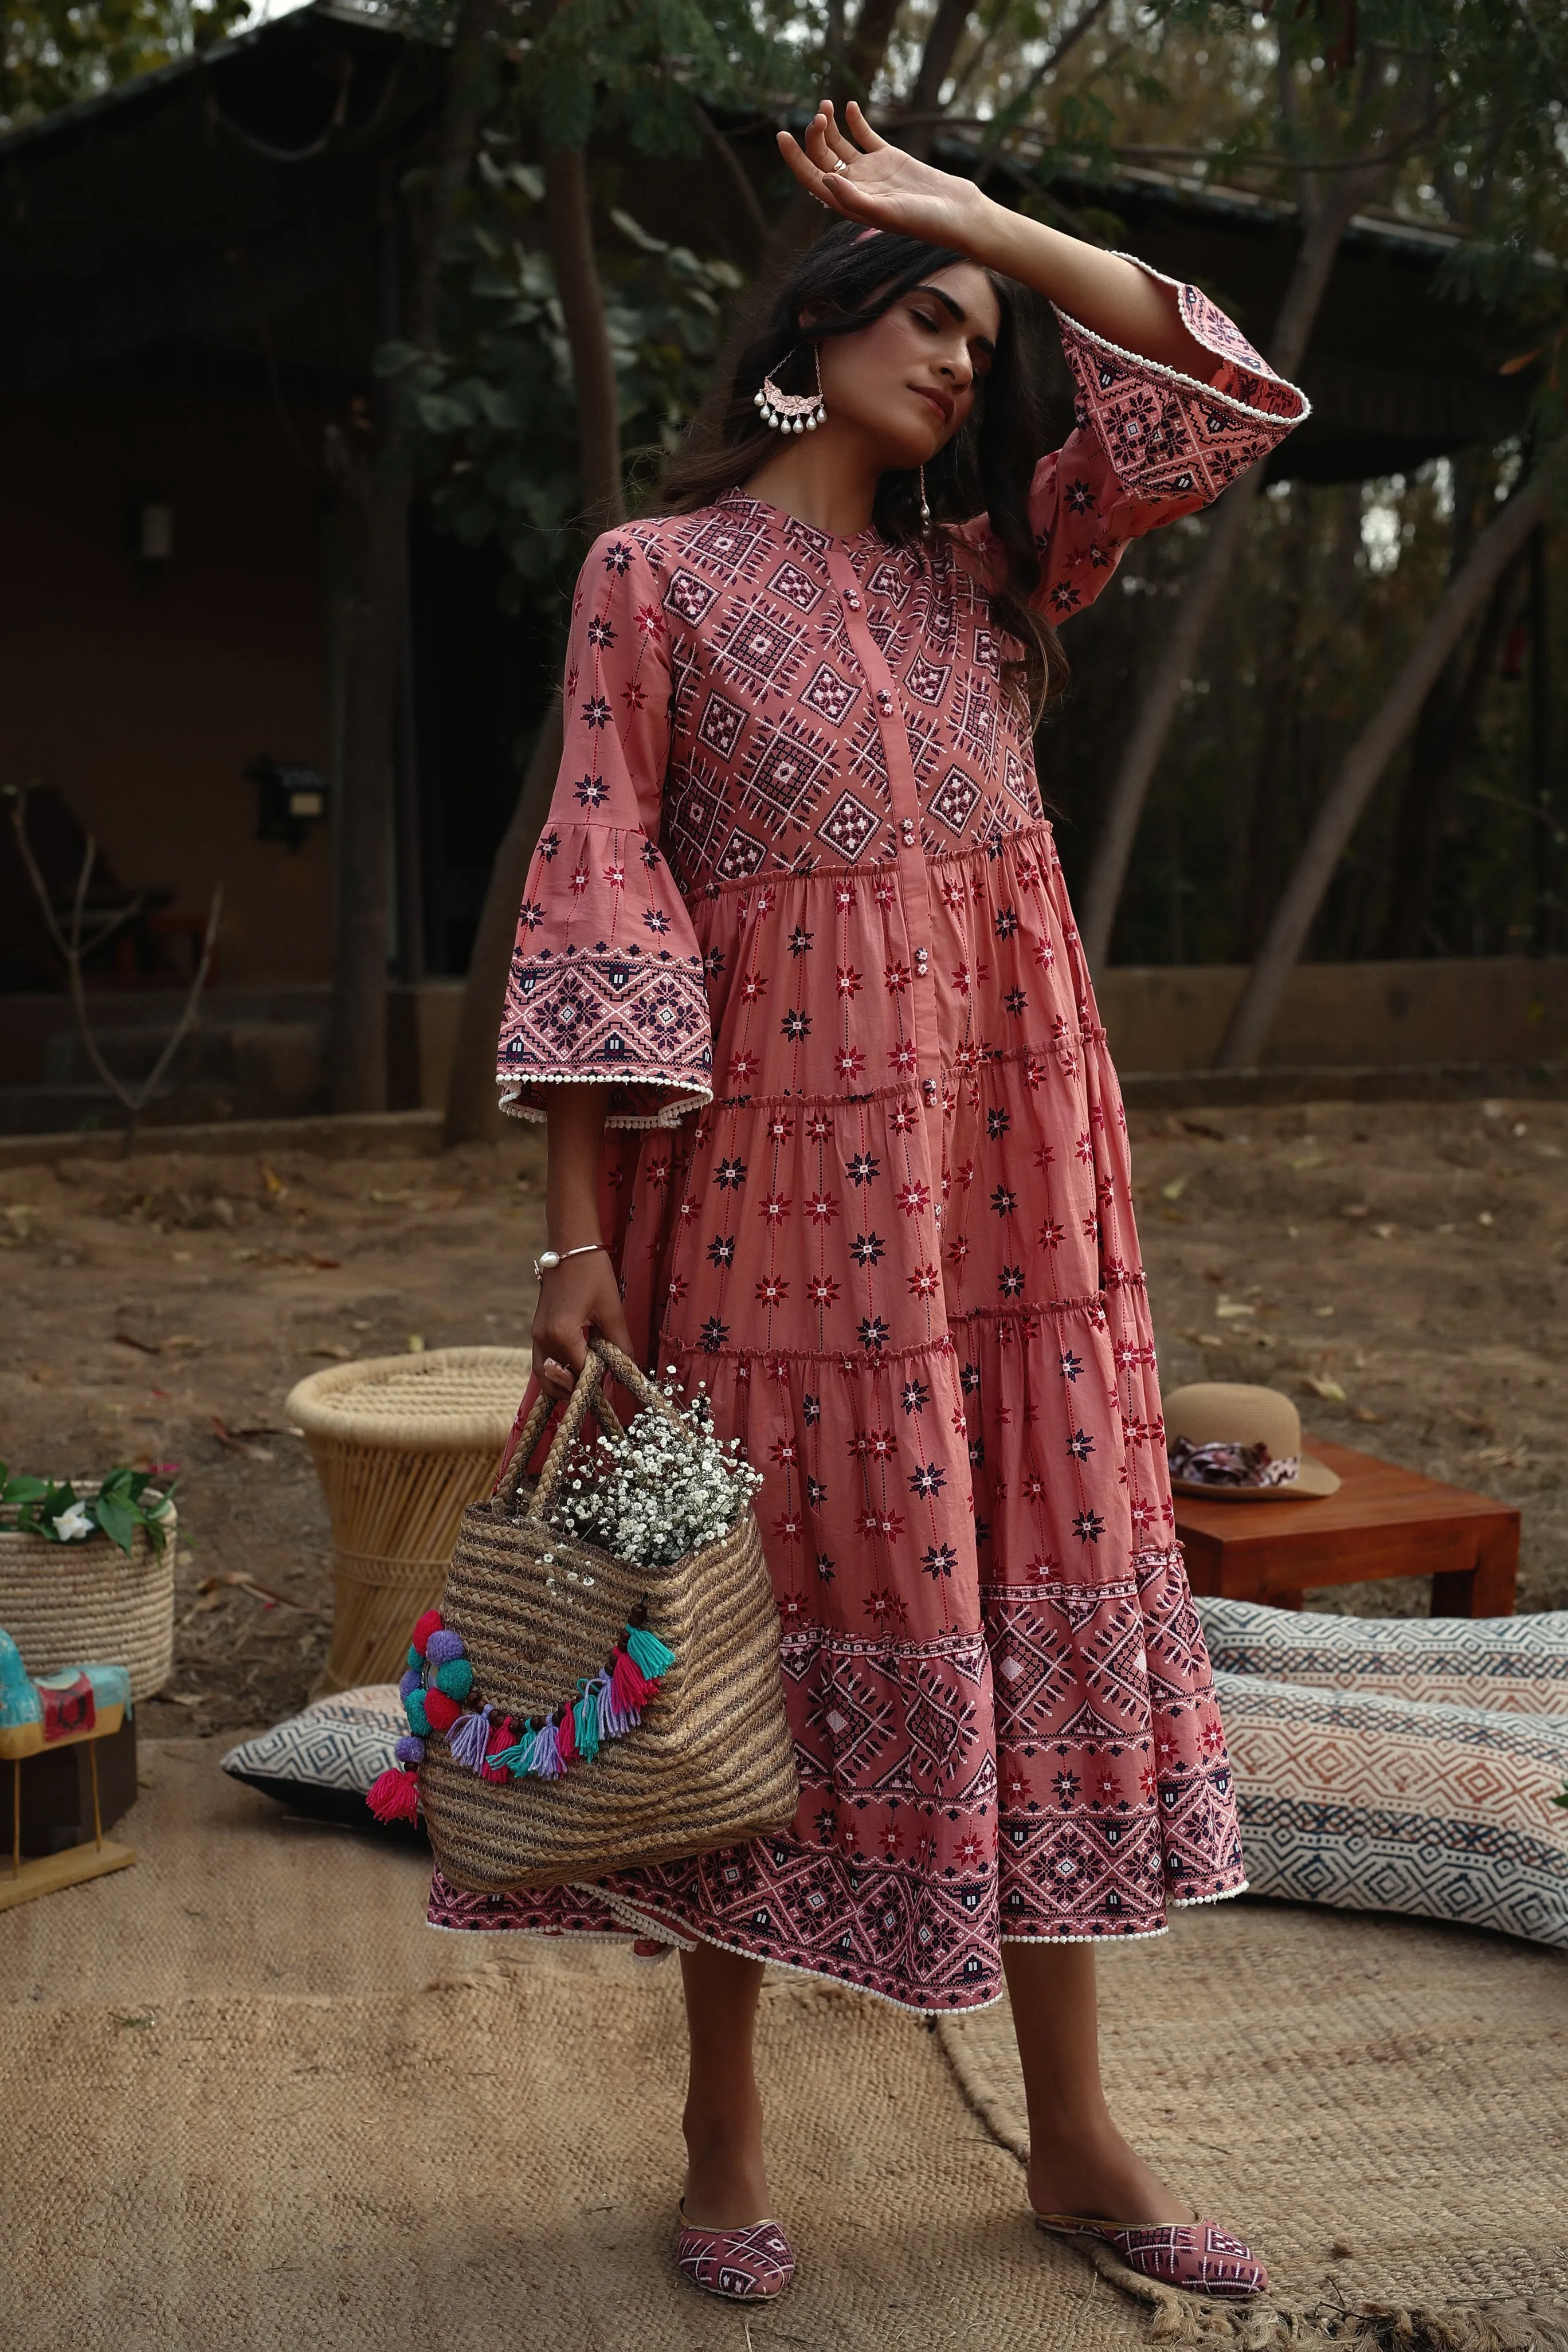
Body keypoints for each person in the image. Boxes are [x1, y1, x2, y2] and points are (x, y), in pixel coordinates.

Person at [428, 99, 1307, 2306]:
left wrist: (981, 216)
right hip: (766, 1213)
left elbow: (1212, 397)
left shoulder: (991, 580)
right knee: (762, 1616)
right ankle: (722, 2131)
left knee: (1038, 1595)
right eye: (918, 314)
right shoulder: (656, 577)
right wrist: (567, 1245)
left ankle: (1078, 2135)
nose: (956, 355)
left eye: (975, 335)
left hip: (1013, 1201)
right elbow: (598, 899)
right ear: (808, 341)